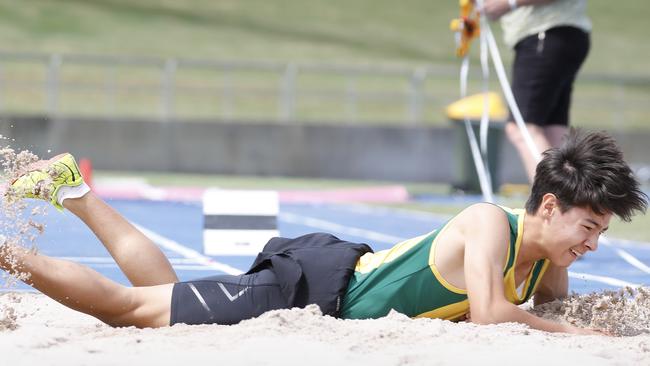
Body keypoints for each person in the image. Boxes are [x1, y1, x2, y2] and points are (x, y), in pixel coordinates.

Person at [0, 130, 647, 334]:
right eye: (587, 227)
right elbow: (488, 314)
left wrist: (598, 321)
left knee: (163, 301)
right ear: (550, 204)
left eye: (600, 233)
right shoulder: (488, 224)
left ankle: (74, 191)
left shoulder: (544, 259)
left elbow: (557, 311)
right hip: (311, 288)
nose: (592, 245)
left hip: (326, 289)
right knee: (128, 311)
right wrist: (566, 328)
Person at [481, 0, 591, 182]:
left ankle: (555, 199)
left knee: (522, 128)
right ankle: (576, 200)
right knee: (552, 129)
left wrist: (509, 4)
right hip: (560, 34)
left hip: (546, 33)